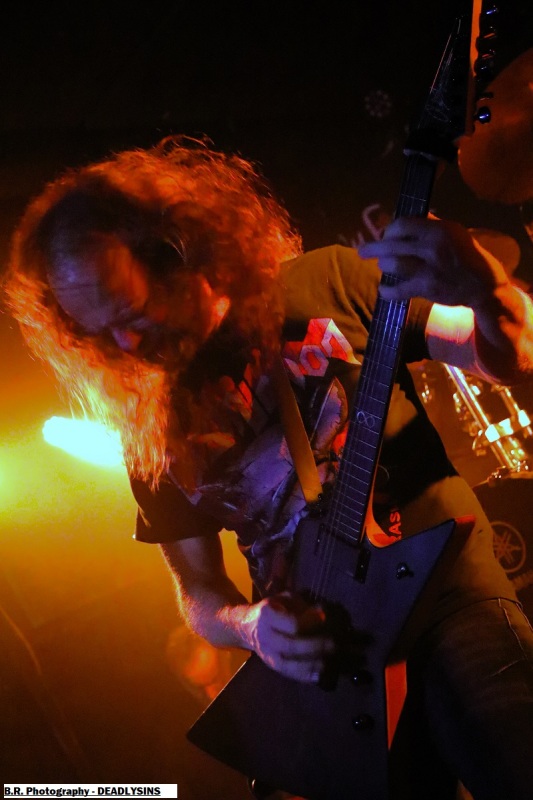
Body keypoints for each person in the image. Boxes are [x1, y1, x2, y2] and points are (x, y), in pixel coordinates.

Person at [4, 138, 533, 800]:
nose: (126, 344)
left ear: (177, 248)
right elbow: (197, 590)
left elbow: (510, 357)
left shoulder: (327, 282)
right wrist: (251, 626)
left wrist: (486, 289)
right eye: (100, 332)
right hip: (332, 671)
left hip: (447, 601)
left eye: (133, 316)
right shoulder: (150, 424)